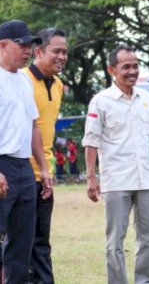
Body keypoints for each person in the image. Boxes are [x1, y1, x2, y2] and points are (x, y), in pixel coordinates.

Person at [82, 45, 149, 284]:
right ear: (111, 69)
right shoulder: (100, 101)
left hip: (147, 178)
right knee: (114, 242)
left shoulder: (146, 97)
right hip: (116, 180)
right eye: (126, 67)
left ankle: (145, 282)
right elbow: (91, 141)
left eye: (135, 66)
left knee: (148, 238)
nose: (132, 71)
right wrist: (91, 177)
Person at [0, 19, 53, 283]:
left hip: (23, 167)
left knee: (22, 244)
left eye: (30, 45)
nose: (28, 51)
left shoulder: (23, 80)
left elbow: (34, 126)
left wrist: (43, 168)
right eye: (22, 45)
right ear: (3, 45)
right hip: (2, 165)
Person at [22, 27, 68, 284]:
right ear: (38, 51)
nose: (61, 56)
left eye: (65, 52)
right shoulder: (21, 80)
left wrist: (46, 170)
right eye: (56, 51)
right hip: (20, 171)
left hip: (44, 173)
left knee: (41, 239)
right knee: (20, 241)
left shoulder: (59, 85)